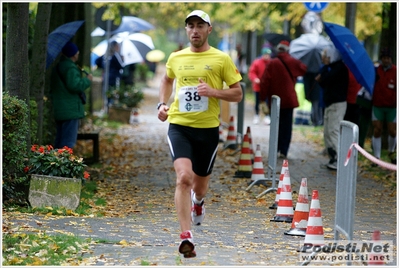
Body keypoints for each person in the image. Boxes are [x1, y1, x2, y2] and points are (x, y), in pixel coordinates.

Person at [157, 10, 242, 258]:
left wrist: (214, 92)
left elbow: (237, 94)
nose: (195, 30)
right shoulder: (176, 57)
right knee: (183, 178)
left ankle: (198, 202)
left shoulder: (221, 59)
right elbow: (166, 80)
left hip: (207, 131)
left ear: (209, 30)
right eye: (190, 26)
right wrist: (161, 105)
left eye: (200, 26)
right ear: (186, 30)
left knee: (200, 186)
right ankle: (186, 236)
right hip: (180, 126)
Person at [260, 40, 307, 159]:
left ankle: (275, 149)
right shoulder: (292, 61)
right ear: (287, 50)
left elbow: (265, 82)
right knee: (287, 126)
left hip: (275, 101)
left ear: (278, 50)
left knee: (276, 125)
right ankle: (284, 151)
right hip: (289, 99)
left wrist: (262, 99)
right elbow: (303, 69)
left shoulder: (272, 63)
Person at [50, 41, 92, 149]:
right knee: (68, 142)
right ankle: (66, 164)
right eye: (77, 53)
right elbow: (74, 86)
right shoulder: (70, 68)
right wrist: (87, 81)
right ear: (73, 54)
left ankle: (55, 163)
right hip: (70, 110)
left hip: (60, 108)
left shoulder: (59, 66)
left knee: (59, 140)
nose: (78, 55)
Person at [315, 47, 348, 170]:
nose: (324, 59)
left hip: (337, 104)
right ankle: (332, 156)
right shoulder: (331, 68)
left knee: (333, 130)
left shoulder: (339, 68)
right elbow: (325, 83)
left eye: (326, 56)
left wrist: (322, 75)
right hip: (330, 103)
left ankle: (339, 158)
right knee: (327, 131)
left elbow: (329, 78)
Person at [371, 48, 397, 164]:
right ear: (381, 59)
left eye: (388, 58)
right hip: (378, 105)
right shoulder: (376, 70)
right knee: (377, 129)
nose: (386, 60)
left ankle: (391, 151)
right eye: (384, 58)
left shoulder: (396, 71)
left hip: (392, 106)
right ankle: (376, 157)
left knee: (392, 131)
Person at [95, 41, 124, 106]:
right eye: (117, 46)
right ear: (115, 46)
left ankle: (106, 108)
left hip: (105, 77)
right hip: (113, 78)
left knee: (106, 94)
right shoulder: (115, 55)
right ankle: (111, 109)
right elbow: (121, 66)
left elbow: (97, 61)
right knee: (113, 94)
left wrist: (103, 68)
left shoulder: (105, 55)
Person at [248, 47, 272, 125]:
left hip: (268, 87)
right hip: (258, 87)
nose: (267, 56)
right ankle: (256, 115)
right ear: (262, 55)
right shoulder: (257, 62)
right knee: (257, 102)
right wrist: (255, 79)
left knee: (267, 102)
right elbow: (252, 72)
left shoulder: (271, 63)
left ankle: (267, 116)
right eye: (265, 55)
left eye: (268, 55)